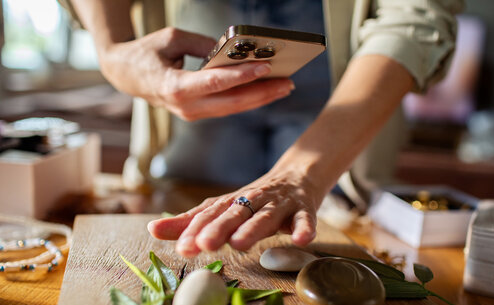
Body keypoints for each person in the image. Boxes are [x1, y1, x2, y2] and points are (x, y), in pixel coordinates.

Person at [64, 0, 463, 257]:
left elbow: (415, 14)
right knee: (184, 227)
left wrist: (302, 173)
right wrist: (112, 52)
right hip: (188, 88)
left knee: (331, 234)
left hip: (344, 96)